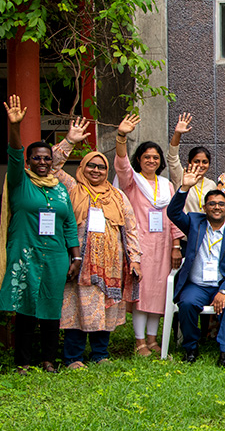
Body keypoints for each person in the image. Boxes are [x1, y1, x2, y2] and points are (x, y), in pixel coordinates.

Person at [0, 95, 80, 373]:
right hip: (25, 252)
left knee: (52, 309)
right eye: (37, 158)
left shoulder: (60, 188)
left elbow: (68, 224)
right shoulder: (19, 182)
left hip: (55, 256)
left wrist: (75, 256)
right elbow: (14, 154)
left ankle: (49, 360)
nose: (42, 162)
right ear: (29, 161)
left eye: (46, 158)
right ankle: (24, 362)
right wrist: (14, 127)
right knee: (26, 308)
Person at [50, 119, 143, 369]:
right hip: (79, 262)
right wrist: (69, 140)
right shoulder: (71, 188)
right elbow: (52, 166)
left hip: (111, 265)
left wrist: (135, 258)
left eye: (101, 167)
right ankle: (73, 357)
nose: (96, 170)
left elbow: (131, 228)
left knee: (106, 308)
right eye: (90, 166)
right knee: (77, 309)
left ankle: (100, 355)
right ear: (82, 167)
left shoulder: (117, 195)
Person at [114, 114, 185, 357]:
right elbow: (121, 164)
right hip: (140, 245)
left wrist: (176, 245)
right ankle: (139, 341)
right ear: (139, 160)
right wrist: (121, 136)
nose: (151, 161)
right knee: (142, 294)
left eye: (155, 157)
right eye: (146, 157)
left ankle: (153, 339)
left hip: (163, 246)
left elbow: (174, 215)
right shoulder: (132, 182)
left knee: (158, 292)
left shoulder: (166, 185)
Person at [167, 166, 225, 368]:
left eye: (221, 204)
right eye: (212, 204)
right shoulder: (195, 222)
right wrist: (185, 187)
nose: (217, 207)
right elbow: (173, 212)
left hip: (221, 283)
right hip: (197, 285)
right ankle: (191, 347)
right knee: (186, 304)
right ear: (204, 208)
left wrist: (224, 290)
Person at [165, 113, 217, 213]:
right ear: (189, 162)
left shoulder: (211, 185)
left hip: (204, 228)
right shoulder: (181, 177)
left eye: (204, 162)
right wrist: (177, 134)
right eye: (196, 161)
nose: (201, 165)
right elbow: (172, 158)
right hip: (184, 227)